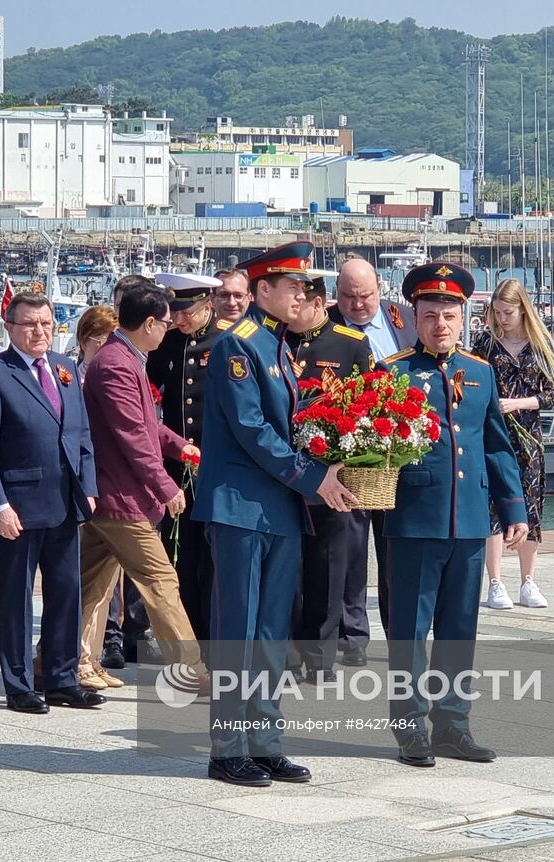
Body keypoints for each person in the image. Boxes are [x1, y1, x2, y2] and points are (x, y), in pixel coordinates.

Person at [192, 241, 356, 787]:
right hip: (240, 506)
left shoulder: (277, 346)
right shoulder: (237, 347)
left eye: (306, 288)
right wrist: (314, 477)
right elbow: (252, 430)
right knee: (238, 630)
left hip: (277, 508)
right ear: (263, 289)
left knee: (268, 634)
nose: (304, 295)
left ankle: (264, 742)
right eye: (293, 286)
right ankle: (227, 749)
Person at [381, 262, 527, 768]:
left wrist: (513, 507)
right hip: (413, 520)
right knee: (409, 632)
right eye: (429, 315)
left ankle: (453, 726)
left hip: (468, 521)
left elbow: (495, 445)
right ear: (412, 318)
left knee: (460, 630)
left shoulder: (481, 372)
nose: (440, 324)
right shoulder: (393, 372)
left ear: (464, 318)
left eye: (449, 314)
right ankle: (410, 731)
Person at [0, 293, 103, 714]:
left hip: (66, 502)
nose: (39, 331)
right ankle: (19, 684)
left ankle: (62, 678)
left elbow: (80, 435)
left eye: (46, 323)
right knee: (16, 599)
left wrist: (89, 487)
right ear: (9, 327)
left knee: (66, 593)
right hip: (19, 507)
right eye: (29, 324)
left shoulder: (64, 369)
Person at [76, 278, 206, 693]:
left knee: (90, 586)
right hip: (122, 499)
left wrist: (180, 445)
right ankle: (189, 671)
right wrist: (166, 486)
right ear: (148, 323)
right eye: (166, 323)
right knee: (161, 581)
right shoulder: (115, 363)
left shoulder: (125, 356)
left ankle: (64, 660)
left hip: (113, 497)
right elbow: (131, 435)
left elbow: (147, 425)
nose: (169, 328)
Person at [285, 275, 375, 681]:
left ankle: (320, 658)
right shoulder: (275, 340)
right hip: (284, 474)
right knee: (288, 571)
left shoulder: (350, 343)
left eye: (300, 300)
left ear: (319, 303)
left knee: (329, 568)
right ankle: (287, 655)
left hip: (330, 475)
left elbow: (368, 407)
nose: (293, 307)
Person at [329, 256, 418, 652]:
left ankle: (402, 634)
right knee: (349, 553)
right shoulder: (326, 325)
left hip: (399, 454)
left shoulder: (409, 319)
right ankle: (353, 638)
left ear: (380, 289)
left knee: (397, 551)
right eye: (348, 297)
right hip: (346, 455)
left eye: (364, 295)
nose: (357, 304)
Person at [146, 272, 231, 658]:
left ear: (207, 304)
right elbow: (150, 395)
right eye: (175, 313)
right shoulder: (167, 345)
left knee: (215, 563)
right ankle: (190, 642)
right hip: (177, 467)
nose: (180, 321)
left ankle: (216, 642)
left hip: (217, 466)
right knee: (180, 558)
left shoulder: (229, 339)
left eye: (188, 313)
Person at [473, 278, 554, 610]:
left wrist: (519, 403)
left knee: (531, 507)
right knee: (492, 506)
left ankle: (528, 581)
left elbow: (551, 394)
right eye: (497, 312)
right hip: (492, 434)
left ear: (522, 309)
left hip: (528, 437)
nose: (502, 318)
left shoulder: (541, 345)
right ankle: (495, 582)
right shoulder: (485, 343)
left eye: (508, 312)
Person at [75, 307, 146, 671]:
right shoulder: (72, 377)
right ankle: (81, 655)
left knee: (105, 582)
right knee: (88, 580)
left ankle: (98, 652)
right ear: (84, 339)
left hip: (114, 490)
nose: (104, 346)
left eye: (110, 338)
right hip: (83, 490)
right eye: (98, 339)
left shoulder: (124, 371)